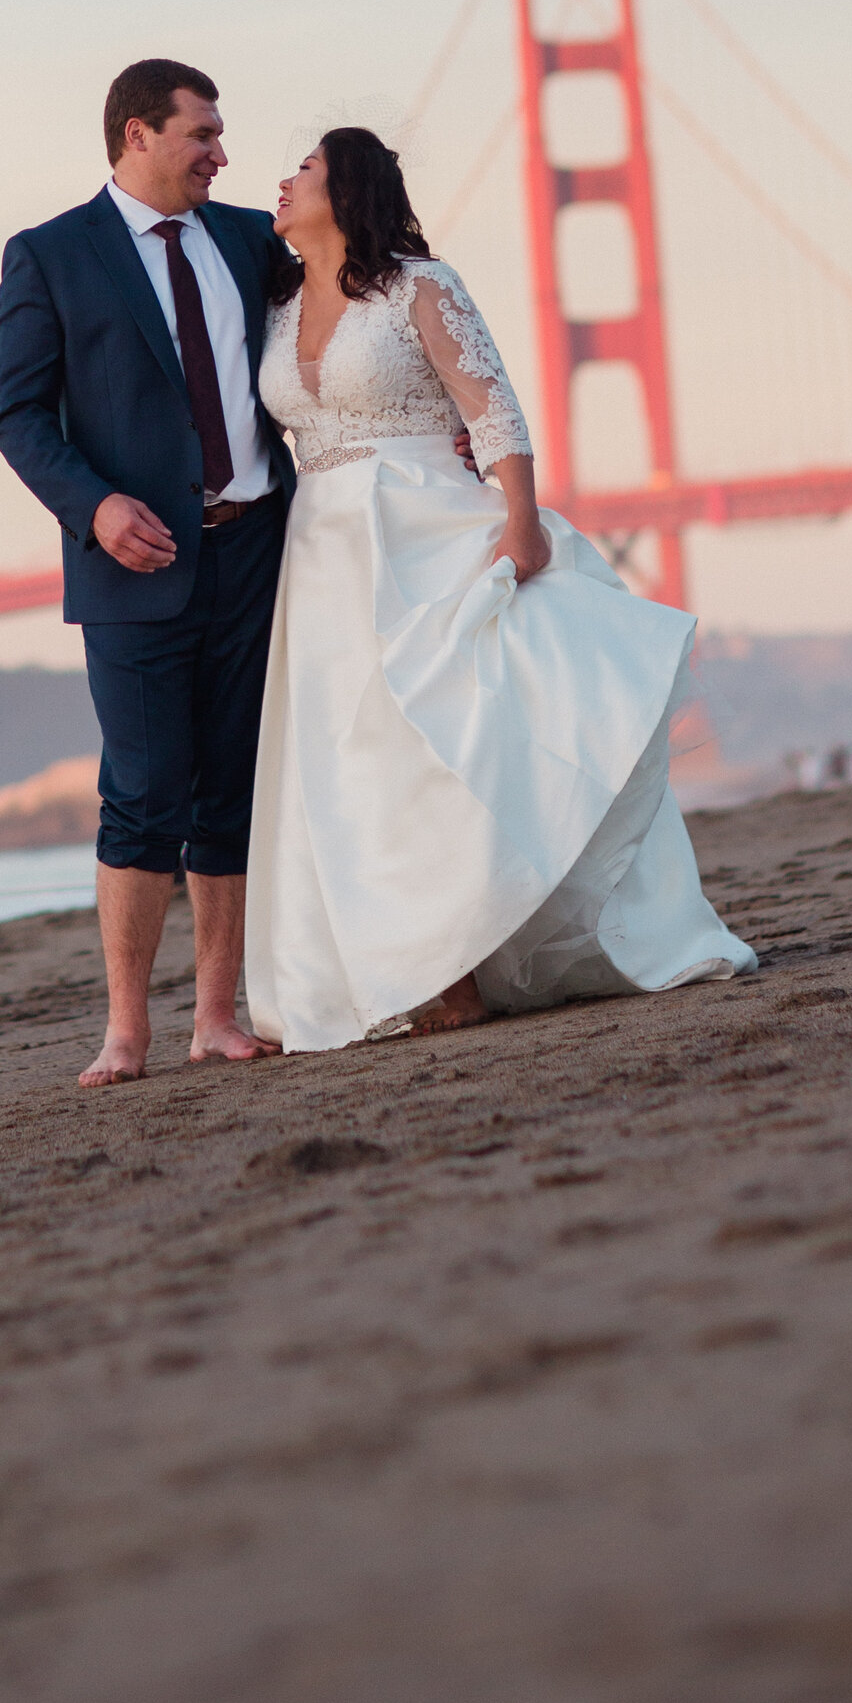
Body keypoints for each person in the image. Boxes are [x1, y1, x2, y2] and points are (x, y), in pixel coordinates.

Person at [245, 127, 754, 1044]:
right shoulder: (275, 305)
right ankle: (390, 966)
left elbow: (494, 409)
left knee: (444, 751)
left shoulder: (420, 286)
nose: (282, 181)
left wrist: (521, 523)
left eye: (306, 168)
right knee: (352, 767)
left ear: (349, 185)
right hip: (322, 555)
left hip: (425, 531)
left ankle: (457, 974)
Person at [0, 61, 294, 1086]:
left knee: (232, 790)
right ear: (137, 135)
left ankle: (217, 1016)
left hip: (258, 544)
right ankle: (126, 1032)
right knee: (143, 791)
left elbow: (356, 319)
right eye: (201, 134)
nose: (220, 153)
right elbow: (17, 415)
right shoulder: (49, 256)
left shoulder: (254, 239)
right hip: (131, 563)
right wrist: (94, 506)